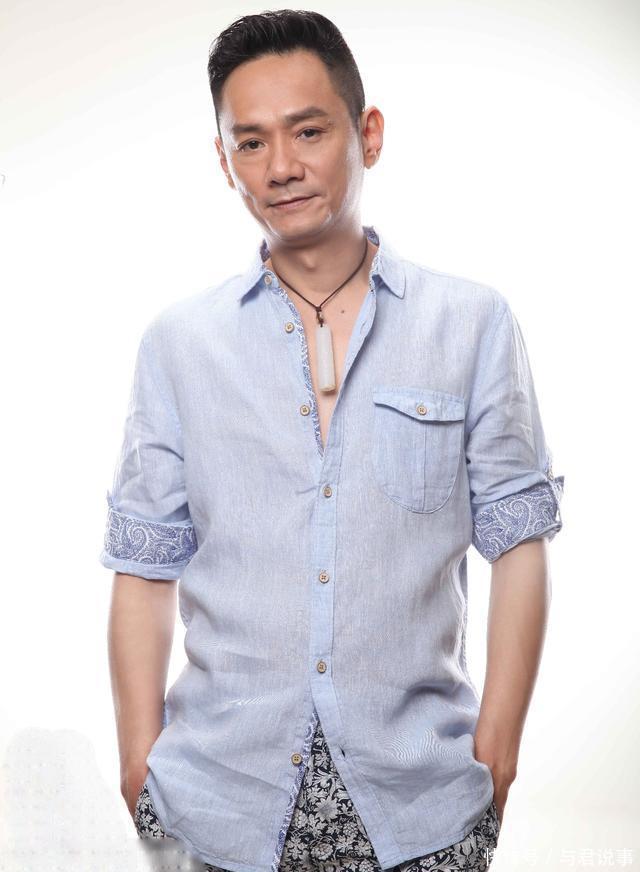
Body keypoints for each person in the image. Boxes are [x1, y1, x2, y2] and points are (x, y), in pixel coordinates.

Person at [100, 9, 565, 872]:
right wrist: (138, 767)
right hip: (216, 802)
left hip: (423, 804)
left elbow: (519, 543)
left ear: (368, 133)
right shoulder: (178, 345)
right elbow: (143, 563)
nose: (280, 166)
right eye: (250, 142)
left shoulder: (471, 324)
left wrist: (496, 753)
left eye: (308, 131)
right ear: (224, 161)